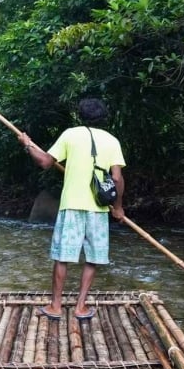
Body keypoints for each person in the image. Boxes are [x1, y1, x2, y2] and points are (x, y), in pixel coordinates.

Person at [17, 98, 125, 320]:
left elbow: (45, 162)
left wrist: (27, 144)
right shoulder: (112, 141)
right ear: (103, 118)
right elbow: (117, 178)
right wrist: (118, 208)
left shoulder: (70, 134)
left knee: (62, 257)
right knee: (93, 258)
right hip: (99, 209)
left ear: (80, 115)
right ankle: (80, 307)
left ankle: (56, 307)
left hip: (72, 206)